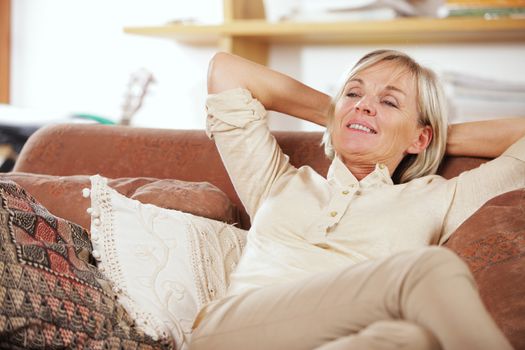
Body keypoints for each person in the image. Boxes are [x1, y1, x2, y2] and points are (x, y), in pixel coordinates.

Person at [189, 49, 525, 350]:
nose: (364, 103)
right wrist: (344, 115)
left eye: (389, 102)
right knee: (430, 269)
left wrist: (431, 136)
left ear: (421, 137)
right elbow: (226, 70)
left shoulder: (439, 197)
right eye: (353, 92)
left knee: (411, 340)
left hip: (340, 339)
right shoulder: (277, 179)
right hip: (233, 332)